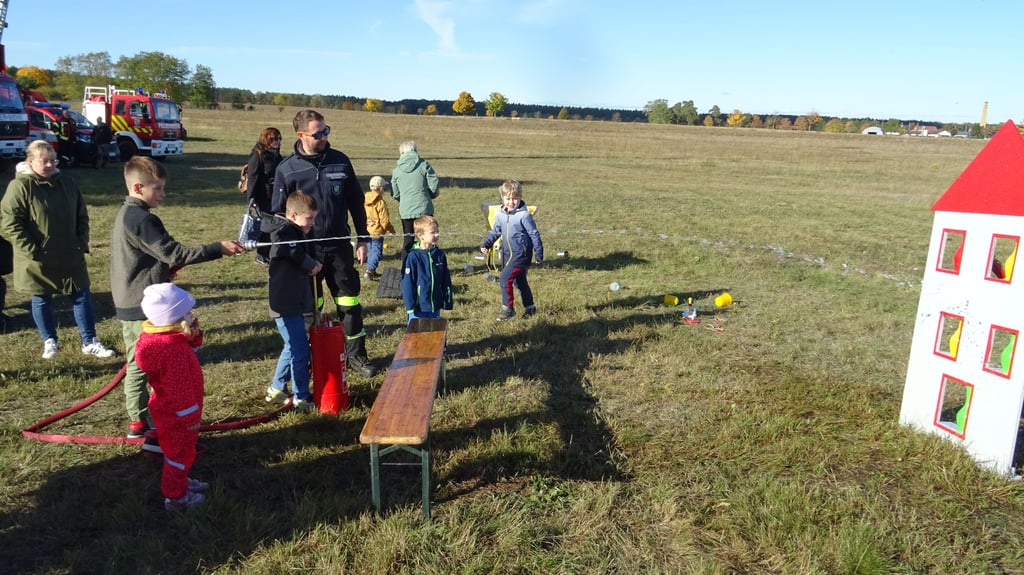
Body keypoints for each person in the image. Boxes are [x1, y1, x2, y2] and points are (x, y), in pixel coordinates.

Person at [111, 156, 245, 441]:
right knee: (141, 364)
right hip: (141, 306)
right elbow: (174, 252)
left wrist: (163, 270)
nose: (163, 194)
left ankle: (158, 415)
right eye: (157, 188)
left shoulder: (129, 213)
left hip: (141, 297)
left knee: (151, 363)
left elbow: (150, 256)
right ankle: (138, 423)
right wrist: (217, 248)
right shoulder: (141, 219)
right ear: (138, 187)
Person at [271, 109, 377, 377]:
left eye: (326, 130)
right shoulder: (287, 169)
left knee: (349, 304)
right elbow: (277, 217)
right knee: (310, 310)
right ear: (301, 135)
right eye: (318, 133)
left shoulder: (340, 161)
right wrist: (295, 254)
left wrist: (362, 239)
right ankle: (312, 358)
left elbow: (356, 201)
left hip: (340, 247)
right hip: (307, 253)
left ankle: (357, 357)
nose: (324, 137)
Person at [0, 140, 116, 359]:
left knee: (81, 295)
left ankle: (89, 340)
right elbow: (9, 223)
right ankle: (49, 340)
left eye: (53, 160)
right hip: (37, 258)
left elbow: (82, 215)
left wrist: (81, 241)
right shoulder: (20, 187)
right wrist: (32, 249)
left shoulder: (67, 183)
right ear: (30, 161)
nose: (50, 165)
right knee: (41, 298)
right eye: (44, 161)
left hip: (70, 253)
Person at [135, 283, 210, 511]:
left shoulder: (162, 340)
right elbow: (179, 389)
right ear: (173, 318)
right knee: (179, 453)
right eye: (187, 313)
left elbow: (189, 349)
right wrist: (190, 417)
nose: (192, 315)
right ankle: (175, 496)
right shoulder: (172, 351)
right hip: (177, 413)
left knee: (179, 450)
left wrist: (193, 337)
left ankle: (180, 480)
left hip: (167, 409)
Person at [262, 191, 322, 411]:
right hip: (284, 304)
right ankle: (302, 396)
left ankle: (276, 388)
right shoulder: (283, 231)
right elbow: (291, 250)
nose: (312, 224)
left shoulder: (294, 230)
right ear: (294, 215)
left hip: (294, 301)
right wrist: (309, 263)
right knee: (300, 351)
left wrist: (311, 264)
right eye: (309, 219)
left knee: (292, 346)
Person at [480, 180, 544, 321]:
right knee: (519, 281)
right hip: (508, 253)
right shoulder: (501, 214)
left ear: (520, 197)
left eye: (515, 198)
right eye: (508, 198)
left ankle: (508, 309)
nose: (511, 202)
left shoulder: (524, 215)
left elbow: (534, 233)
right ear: (502, 198)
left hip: (521, 254)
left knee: (504, 278)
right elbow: (495, 231)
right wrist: (487, 243)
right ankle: (530, 307)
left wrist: (539, 253)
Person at [390, 141, 440, 263]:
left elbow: (395, 193)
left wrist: (404, 200)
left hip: (406, 210)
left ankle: (406, 268)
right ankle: (430, 264)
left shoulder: (396, 171)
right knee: (428, 238)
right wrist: (431, 195)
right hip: (424, 208)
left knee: (408, 239)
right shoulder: (424, 165)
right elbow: (434, 185)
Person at [401, 215, 453, 323]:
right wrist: (410, 306)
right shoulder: (413, 257)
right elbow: (408, 283)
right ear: (420, 235)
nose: (437, 235)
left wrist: (447, 300)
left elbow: (445, 280)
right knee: (417, 336)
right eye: (432, 232)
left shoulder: (440, 255)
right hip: (418, 307)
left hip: (435, 305)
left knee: (434, 334)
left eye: (437, 231)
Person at [245, 127, 283, 265]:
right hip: (263, 196)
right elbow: (253, 177)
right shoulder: (257, 154)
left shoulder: (275, 154)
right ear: (266, 139)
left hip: (276, 195)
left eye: (279, 138)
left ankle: (272, 253)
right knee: (266, 226)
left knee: (275, 224)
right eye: (273, 139)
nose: (277, 141)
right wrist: (251, 199)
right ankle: (262, 255)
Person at [364, 176, 395, 280]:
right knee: (377, 252)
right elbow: (384, 221)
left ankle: (372, 270)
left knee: (371, 250)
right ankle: (369, 271)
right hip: (377, 232)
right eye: (384, 188)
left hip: (367, 230)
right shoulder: (380, 202)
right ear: (381, 188)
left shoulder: (364, 199)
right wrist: (391, 230)